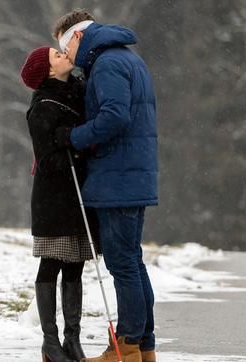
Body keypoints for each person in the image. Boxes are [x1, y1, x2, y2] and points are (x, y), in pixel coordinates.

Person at [51, 9, 159, 362]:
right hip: (130, 173)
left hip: (119, 176)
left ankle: (125, 345)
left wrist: (74, 137)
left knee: (122, 263)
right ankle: (144, 346)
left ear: (78, 36)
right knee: (132, 261)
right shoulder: (124, 57)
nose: (67, 58)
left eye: (65, 49)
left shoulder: (109, 63)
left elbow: (114, 115)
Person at [20, 46, 101, 362]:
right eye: (56, 54)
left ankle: (73, 339)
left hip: (80, 193)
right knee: (51, 262)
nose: (64, 54)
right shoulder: (42, 105)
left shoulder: (78, 92)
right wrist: (74, 144)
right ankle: (50, 342)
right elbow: (47, 159)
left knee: (75, 264)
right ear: (48, 71)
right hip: (53, 198)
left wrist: (75, 141)